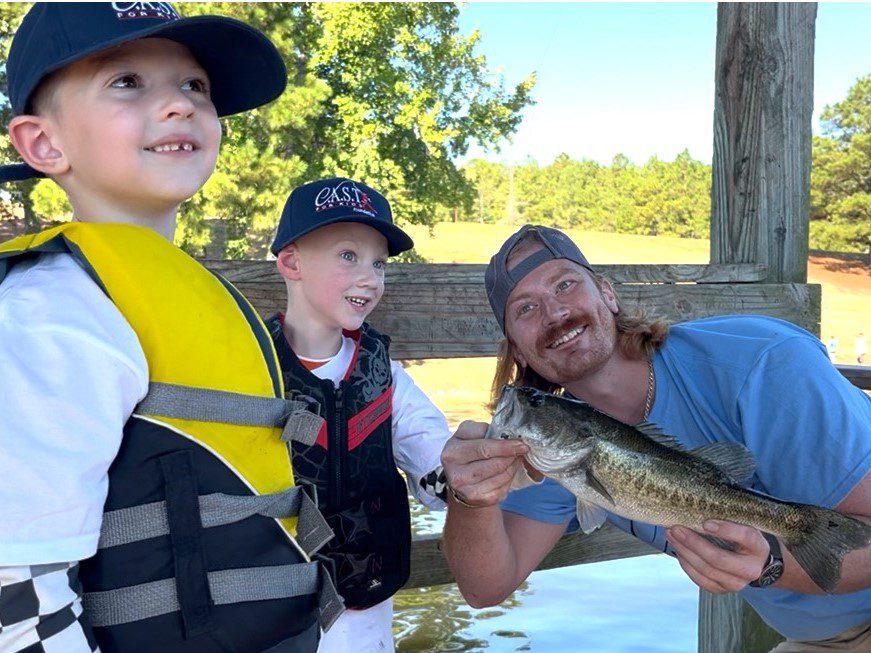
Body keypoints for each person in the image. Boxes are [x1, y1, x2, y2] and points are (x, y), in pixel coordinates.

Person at [0, 4, 339, 652]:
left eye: (195, 86)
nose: (179, 105)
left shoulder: (189, 290)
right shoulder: (53, 313)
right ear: (44, 143)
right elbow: (17, 588)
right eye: (126, 81)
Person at [439, 224, 871, 651]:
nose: (554, 313)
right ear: (517, 349)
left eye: (565, 285)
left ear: (608, 293)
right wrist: (471, 499)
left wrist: (771, 562)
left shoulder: (765, 363)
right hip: (827, 639)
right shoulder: (556, 446)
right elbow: (485, 587)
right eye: (525, 309)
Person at [265, 177, 452, 652]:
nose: (370, 278)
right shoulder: (247, 368)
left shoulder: (385, 378)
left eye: (379, 263)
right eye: (348, 256)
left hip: (364, 628)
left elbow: (437, 462)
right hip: (263, 622)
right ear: (291, 261)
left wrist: (469, 469)